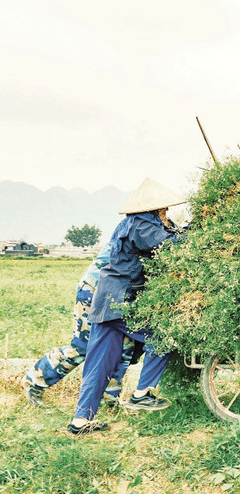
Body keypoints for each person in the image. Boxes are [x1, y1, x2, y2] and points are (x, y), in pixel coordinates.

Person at [68, 177, 186, 435]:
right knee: (164, 336)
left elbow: (165, 236)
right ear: (155, 207)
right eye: (164, 208)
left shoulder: (133, 223)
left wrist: (178, 229)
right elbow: (169, 244)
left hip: (107, 301)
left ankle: (80, 421)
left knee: (98, 364)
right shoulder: (142, 224)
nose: (167, 212)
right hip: (121, 301)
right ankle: (142, 394)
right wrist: (194, 235)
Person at [22, 242, 140, 407]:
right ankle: (35, 381)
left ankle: (108, 399)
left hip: (121, 297)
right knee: (83, 346)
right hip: (94, 291)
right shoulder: (139, 231)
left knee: (122, 347)